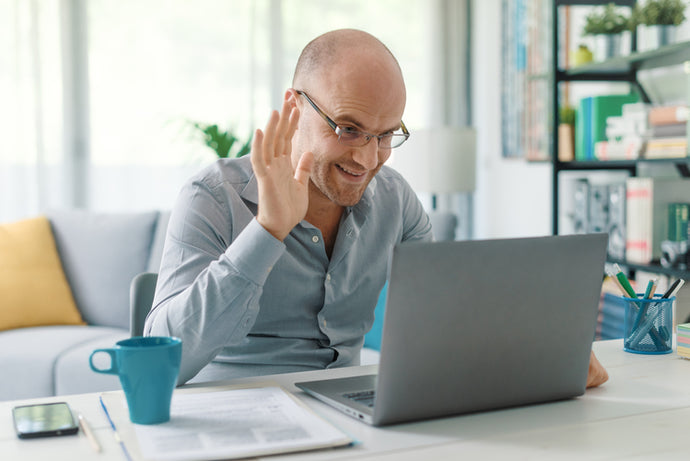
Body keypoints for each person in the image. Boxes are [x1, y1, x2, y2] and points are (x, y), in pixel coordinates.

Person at [145, 29, 608, 389]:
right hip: (234, 417)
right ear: (295, 107)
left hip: (352, 418)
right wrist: (267, 231)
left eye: (386, 134)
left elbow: (443, 318)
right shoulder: (212, 196)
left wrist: (542, 354)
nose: (367, 159)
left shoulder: (395, 201)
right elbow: (158, 364)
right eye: (348, 128)